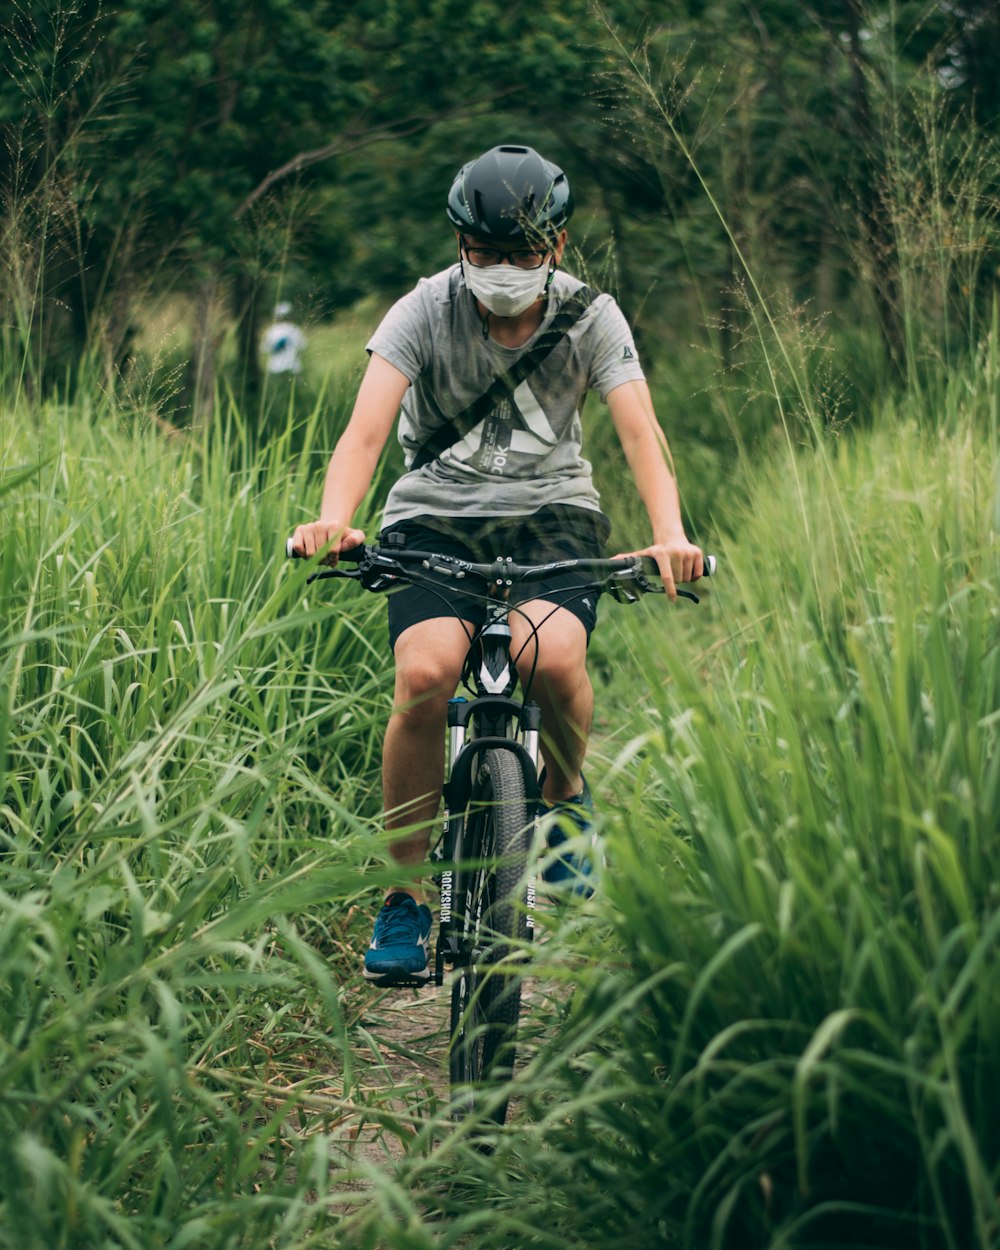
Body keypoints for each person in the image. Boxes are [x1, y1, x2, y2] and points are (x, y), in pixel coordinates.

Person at [289, 144, 703, 984]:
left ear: (555, 245)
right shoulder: (423, 310)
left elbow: (640, 437)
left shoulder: (594, 316)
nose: (503, 269)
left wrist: (670, 535)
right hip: (435, 517)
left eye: (522, 252)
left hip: (554, 516)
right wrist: (335, 520)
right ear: (459, 243)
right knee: (425, 673)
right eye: (485, 252)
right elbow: (366, 433)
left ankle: (562, 795)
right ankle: (405, 897)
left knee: (547, 653)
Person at [261, 302, 307, 376]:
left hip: (275, 368)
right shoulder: (295, 329)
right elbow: (303, 347)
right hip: (293, 368)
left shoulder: (271, 331)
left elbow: (264, 349)